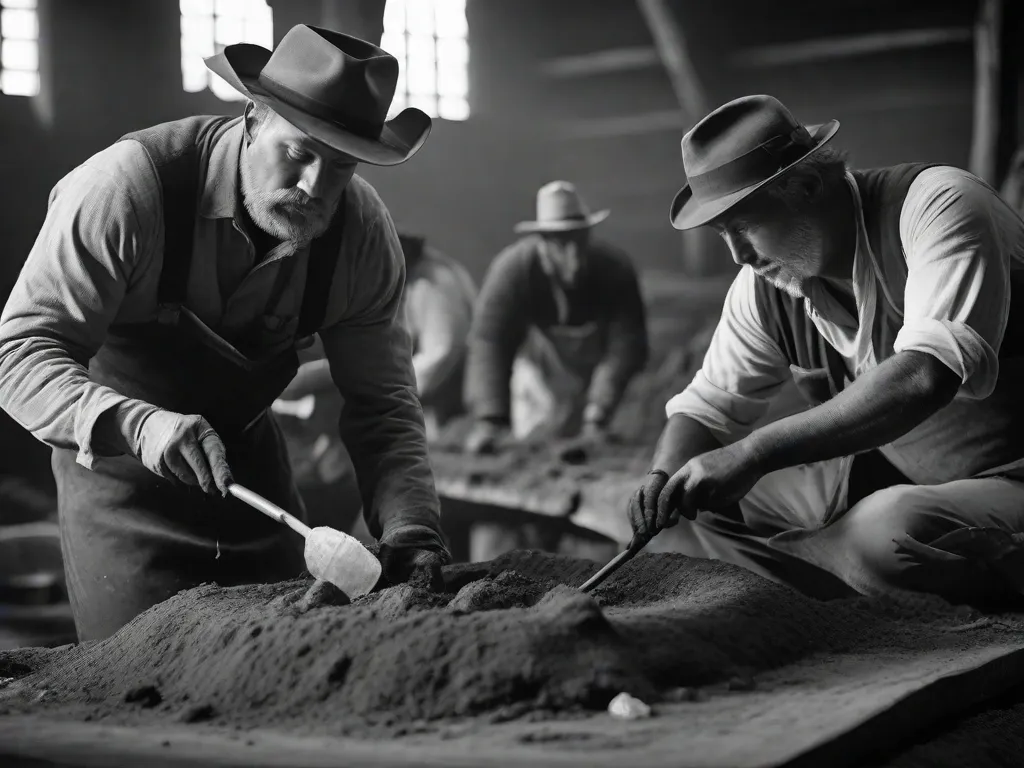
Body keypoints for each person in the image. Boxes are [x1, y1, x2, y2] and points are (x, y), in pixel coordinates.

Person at [0, 26, 450, 641]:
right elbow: (19, 354)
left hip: (252, 472)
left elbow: (383, 405)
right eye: (298, 153)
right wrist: (140, 424)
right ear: (251, 117)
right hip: (121, 484)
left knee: (282, 657)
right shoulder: (127, 190)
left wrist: (412, 530)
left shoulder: (361, 235)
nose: (315, 187)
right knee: (142, 679)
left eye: (340, 166)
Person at [628, 94, 1024, 608]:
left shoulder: (938, 205)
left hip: (1007, 474)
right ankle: (841, 578)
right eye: (723, 234)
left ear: (808, 186)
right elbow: (707, 407)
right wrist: (664, 478)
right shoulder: (764, 284)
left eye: (743, 226)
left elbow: (925, 376)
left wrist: (754, 452)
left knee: (884, 533)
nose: (738, 255)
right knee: (693, 511)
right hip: (895, 474)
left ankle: (840, 574)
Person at [464, 181, 649, 454]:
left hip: (603, 373)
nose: (574, 259)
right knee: (536, 446)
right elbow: (490, 342)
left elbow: (627, 343)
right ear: (541, 241)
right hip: (543, 377)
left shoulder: (615, 268)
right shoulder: (512, 271)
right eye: (562, 244)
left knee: (609, 445)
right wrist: (491, 419)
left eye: (579, 241)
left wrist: (598, 413)